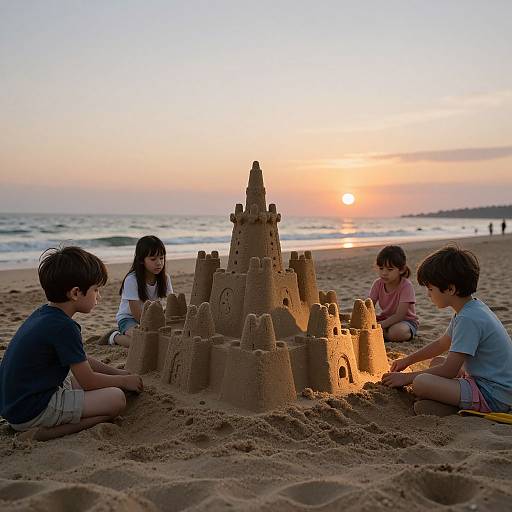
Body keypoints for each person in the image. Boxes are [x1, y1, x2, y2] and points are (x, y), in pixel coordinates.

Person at [0, 246, 144, 442]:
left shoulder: (44, 314)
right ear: (76, 293)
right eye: (96, 290)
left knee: (76, 380)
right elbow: (89, 381)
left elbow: (80, 358)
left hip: (17, 403)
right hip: (32, 410)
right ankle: (41, 433)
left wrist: (118, 373)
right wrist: (123, 382)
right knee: (116, 399)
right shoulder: (64, 327)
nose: (99, 296)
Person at [382, 245, 512, 415]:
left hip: (493, 395)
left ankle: (454, 406)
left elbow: (449, 370)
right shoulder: (470, 308)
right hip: (485, 381)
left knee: (421, 382)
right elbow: (442, 343)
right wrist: (408, 360)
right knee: (437, 361)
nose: (428, 295)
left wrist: (406, 378)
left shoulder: (468, 319)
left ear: (450, 289)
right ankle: (447, 404)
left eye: (430, 289)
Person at [102, 235, 173, 347]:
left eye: (161, 258)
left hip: (152, 317)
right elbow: (136, 312)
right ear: (141, 260)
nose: (159, 263)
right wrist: (151, 326)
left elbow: (171, 303)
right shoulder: (132, 280)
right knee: (142, 343)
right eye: (153, 259)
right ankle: (115, 337)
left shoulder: (165, 278)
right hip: (129, 318)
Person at [369, 245, 419, 342]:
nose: (384, 273)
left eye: (390, 269)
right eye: (381, 268)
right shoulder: (377, 284)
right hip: (385, 318)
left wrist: (380, 325)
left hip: (405, 321)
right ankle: (383, 334)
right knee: (366, 324)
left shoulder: (406, 286)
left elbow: (400, 315)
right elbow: (369, 307)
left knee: (397, 332)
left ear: (401, 270)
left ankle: (384, 335)